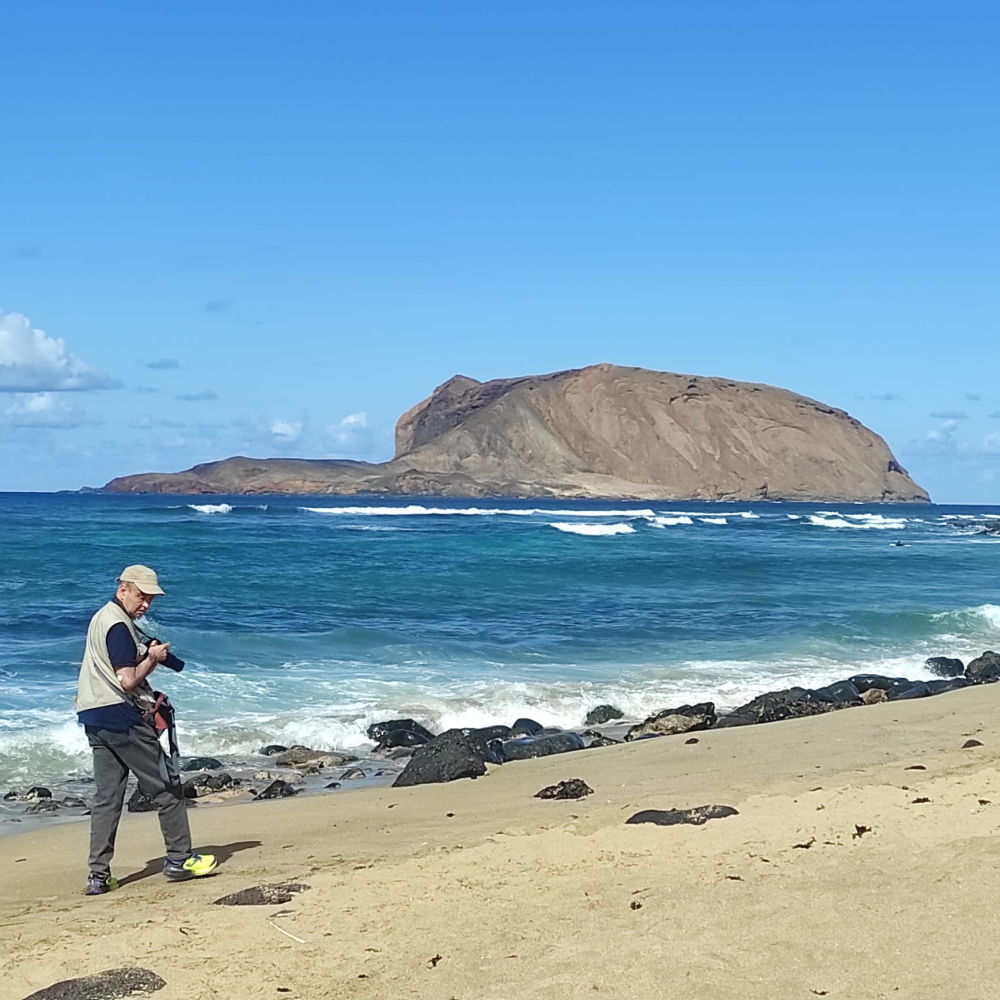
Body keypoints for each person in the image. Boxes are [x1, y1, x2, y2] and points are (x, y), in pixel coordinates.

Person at [75, 564, 218, 895]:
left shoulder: (103, 618)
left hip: (94, 717)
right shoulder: (119, 628)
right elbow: (126, 681)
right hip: (122, 719)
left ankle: (98, 876)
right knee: (166, 788)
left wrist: (149, 652)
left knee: (107, 799)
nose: (146, 605)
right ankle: (180, 859)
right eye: (142, 596)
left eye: (151, 599)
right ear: (123, 589)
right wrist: (152, 659)